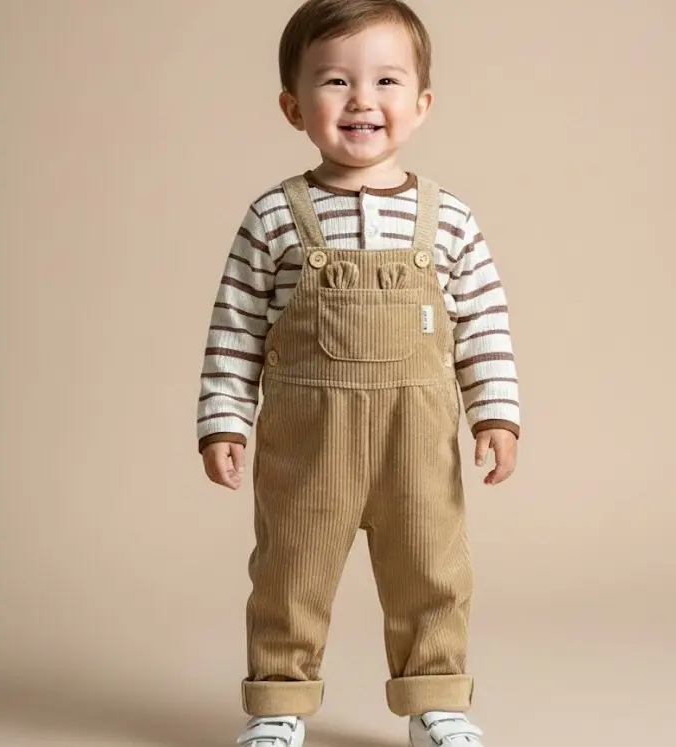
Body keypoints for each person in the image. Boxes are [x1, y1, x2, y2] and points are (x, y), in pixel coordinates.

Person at [196, 1, 520, 745]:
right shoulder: (274, 216)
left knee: (432, 571)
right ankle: (277, 703)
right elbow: (235, 327)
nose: (361, 100)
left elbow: (484, 324)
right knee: (290, 572)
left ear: (422, 103)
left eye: (386, 81)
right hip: (308, 444)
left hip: (417, 442)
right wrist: (222, 421)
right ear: (293, 106)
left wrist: (496, 413)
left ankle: (435, 700)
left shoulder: (449, 219)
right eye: (335, 81)